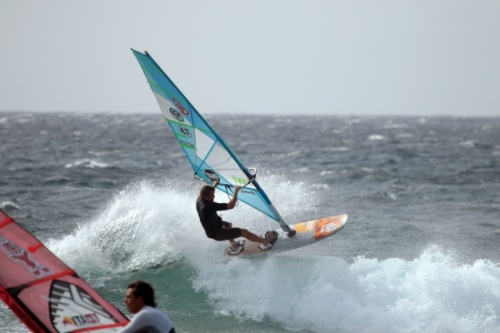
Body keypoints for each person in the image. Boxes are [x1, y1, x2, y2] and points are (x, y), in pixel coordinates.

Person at [196, 179, 273, 254]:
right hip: (218, 233)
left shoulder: (199, 199)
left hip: (212, 228)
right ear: (206, 196)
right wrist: (236, 191)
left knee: (228, 224)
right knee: (244, 232)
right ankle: (265, 242)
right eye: (212, 195)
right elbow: (231, 205)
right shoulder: (208, 206)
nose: (214, 196)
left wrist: (214, 185)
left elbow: (207, 192)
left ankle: (234, 245)